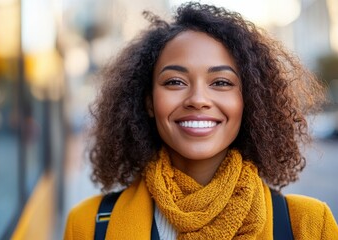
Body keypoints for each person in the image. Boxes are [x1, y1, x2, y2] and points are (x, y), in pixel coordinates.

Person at [64, 2, 338, 239]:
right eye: (175, 81)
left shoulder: (308, 225)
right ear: (148, 101)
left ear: (249, 101)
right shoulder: (87, 225)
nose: (197, 99)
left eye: (220, 82)